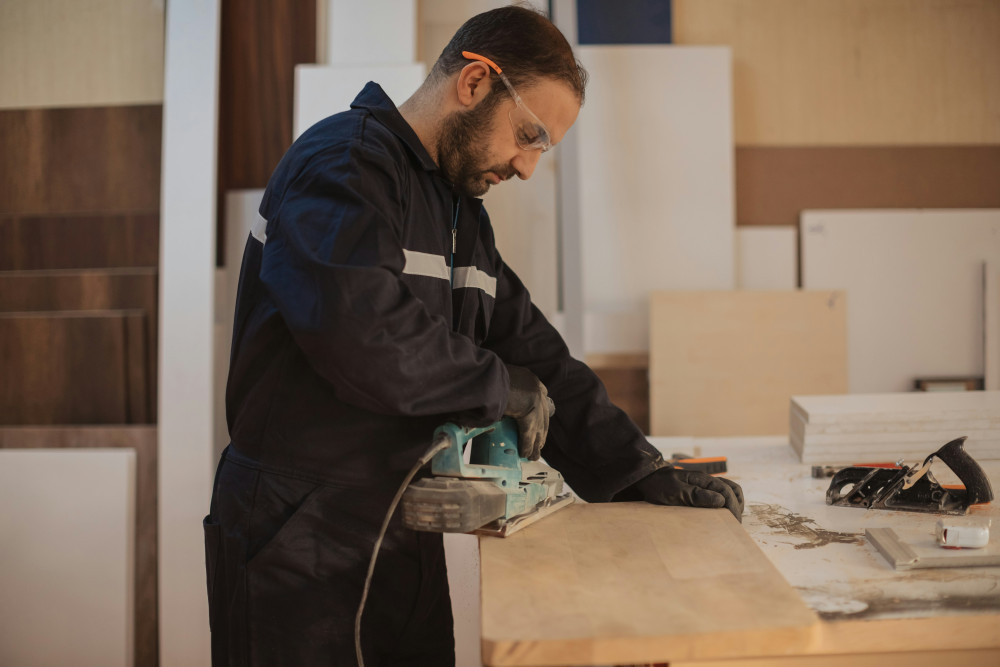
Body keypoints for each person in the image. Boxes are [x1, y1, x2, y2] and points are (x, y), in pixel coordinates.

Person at [204, 5, 744, 666]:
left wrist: (637, 470)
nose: (527, 167)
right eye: (528, 135)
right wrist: (497, 386)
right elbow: (361, 332)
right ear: (474, 82)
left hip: (401, 530)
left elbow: (537, 357)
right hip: (297, 538)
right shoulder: (344, 162)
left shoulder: (461, 215)